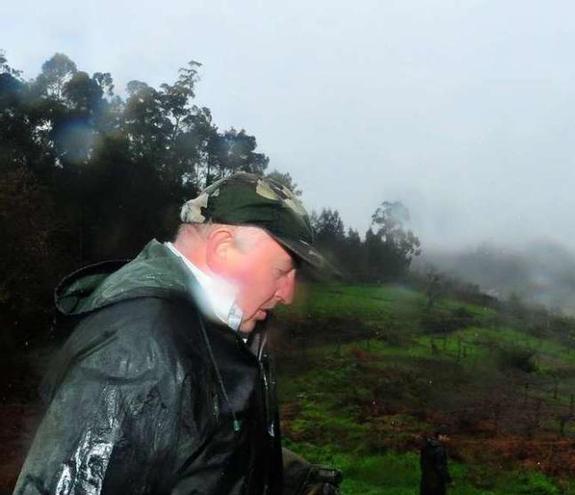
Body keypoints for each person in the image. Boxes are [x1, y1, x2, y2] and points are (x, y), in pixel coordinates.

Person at [14, 173, 340, 495]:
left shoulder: (217, 326)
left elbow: (196, 446)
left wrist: (292, 480)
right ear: (224, 248)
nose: (288, 294)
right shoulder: (138, 348)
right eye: (280, 271)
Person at [419, 427, 452, 495]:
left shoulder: (426, 446)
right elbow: (441, 467)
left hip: (425, 480)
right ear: (441, 436)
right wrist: (448, 480)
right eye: (447, 436)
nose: (448, 439)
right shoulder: (440, 450)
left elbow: (422, 462)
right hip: (437, 483)